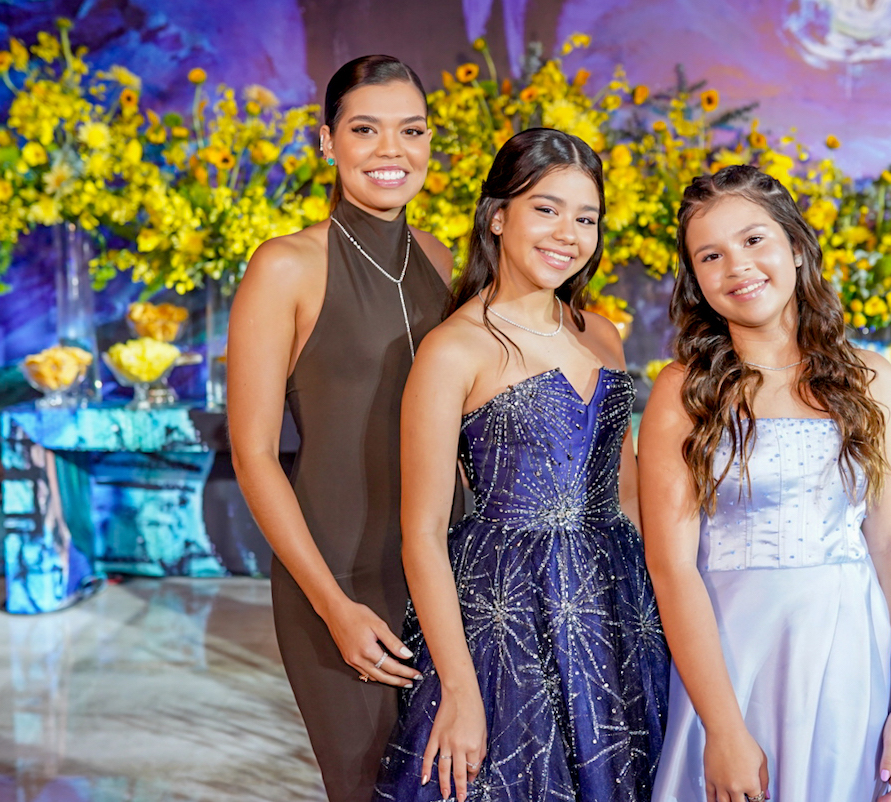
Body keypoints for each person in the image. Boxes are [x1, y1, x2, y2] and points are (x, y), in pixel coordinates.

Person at [374, 128, 669, 802]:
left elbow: (627, 493)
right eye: (547, 209)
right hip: (509, 613)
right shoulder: (454, 348)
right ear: (498, 216)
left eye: (586, 218)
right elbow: (422, 533)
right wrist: (458, 688)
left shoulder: (602, 334)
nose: (568, 233)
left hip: (617, 606)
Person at [640, 165, 891, 802]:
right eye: (710, 255)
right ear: (696, 278)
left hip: (849, 655)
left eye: (753, 240)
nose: (737, 266)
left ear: (795, 246)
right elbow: (671, 568)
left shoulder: (871, 379)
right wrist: (722, 728)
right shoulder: (683, 391)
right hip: (733, 658)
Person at [227, 55, 462, 802]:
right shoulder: (285, 267)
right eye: (366, 130)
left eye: (411, 131)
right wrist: (333, 605)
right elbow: (254, 456)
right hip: (340, 579)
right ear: (327, 141)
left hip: (450, 573)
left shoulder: (438, 256)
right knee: (369, 786)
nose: (392, 150)